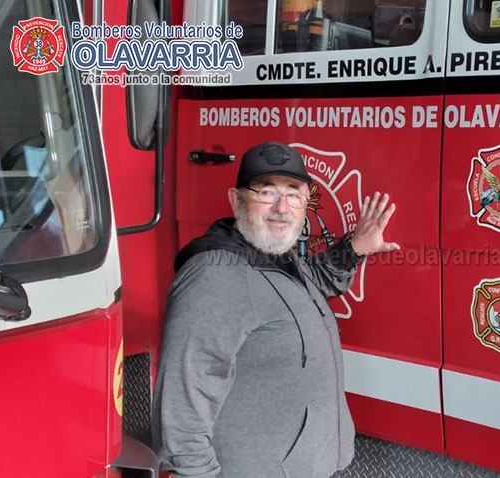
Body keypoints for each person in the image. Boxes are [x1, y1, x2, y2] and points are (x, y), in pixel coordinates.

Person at [151, 141, 399, 478]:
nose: (282, 207)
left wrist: (353, 249)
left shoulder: (275, 257)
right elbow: (181, 413)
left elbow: (310, 284)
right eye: (266, 192)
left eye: (294, 194)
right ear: (237, 200)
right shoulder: (215, 278)